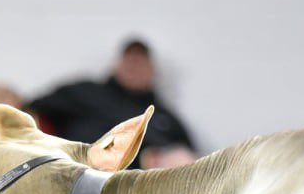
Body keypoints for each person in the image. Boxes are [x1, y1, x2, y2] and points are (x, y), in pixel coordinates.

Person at [29, 37, 198, 168]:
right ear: (118, 64)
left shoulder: (165, 119)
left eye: (140, 62)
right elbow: (31, 111)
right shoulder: (85, 92)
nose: (134, 66)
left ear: (152, 70)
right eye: (130, 60)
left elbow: (190, 159)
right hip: (75, 179)